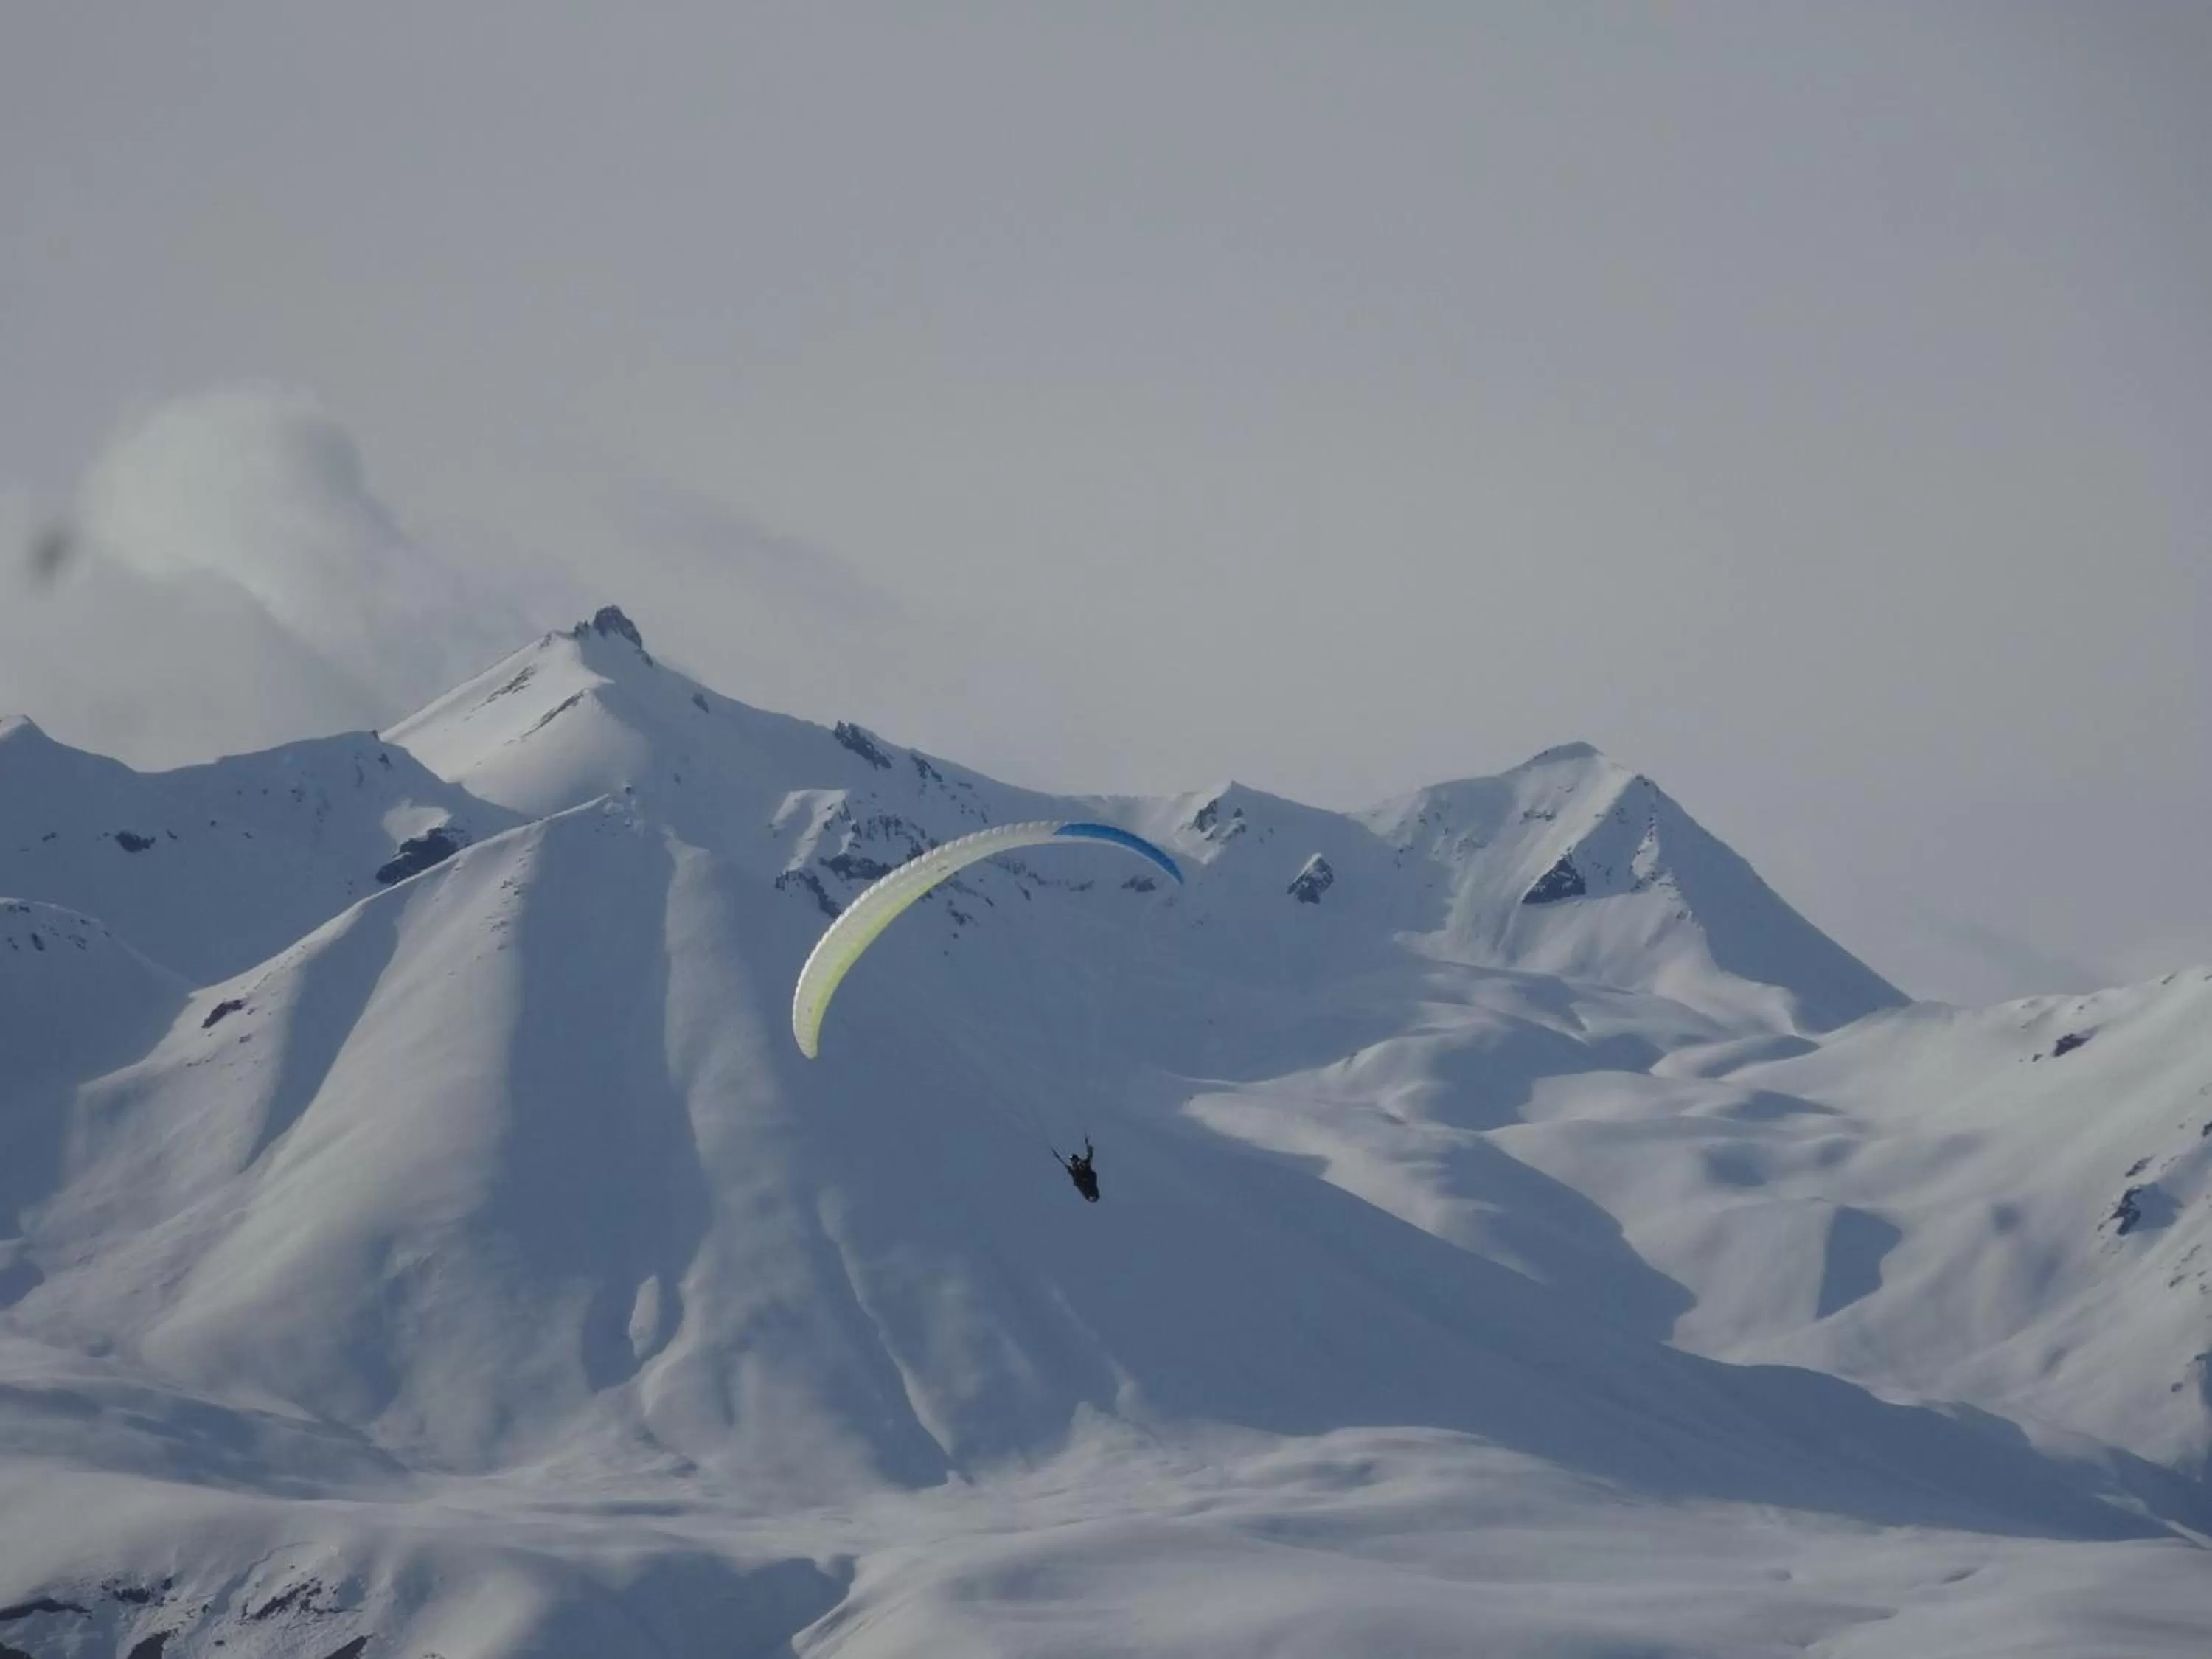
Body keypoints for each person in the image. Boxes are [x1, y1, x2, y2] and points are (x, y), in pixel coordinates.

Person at [1060, 1138, 1100, 1203]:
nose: (1074, 1162)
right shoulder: (1074, 1170)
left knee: (1087, 1182)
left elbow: (1089, 1158)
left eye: (1075, 1160)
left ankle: (1093, 1196)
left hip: (1088, 1179)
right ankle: (1092, 1196)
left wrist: (1090, 1150)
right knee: (1081, 1183)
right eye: (1073, 1161)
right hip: (1084, 1182)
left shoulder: (1083, 1164)